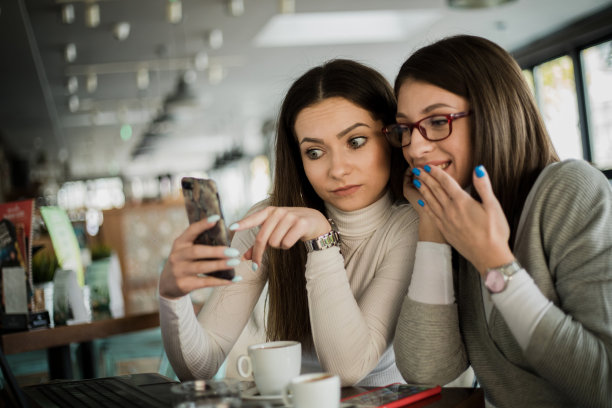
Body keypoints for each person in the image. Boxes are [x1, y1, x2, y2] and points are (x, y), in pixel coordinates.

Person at [158, 59, 420, 387]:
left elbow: (349, 369)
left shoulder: (410, 225)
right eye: (314, 152)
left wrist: (321, 240)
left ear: (391, 138)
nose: (338, 169)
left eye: (355, 142)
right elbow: (199, 367)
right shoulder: (268, 222)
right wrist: (172, 297)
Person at [386, 34, 612, 407]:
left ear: (494, 113)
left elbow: (603, 386)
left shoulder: (570, 190)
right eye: (405, 129)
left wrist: (495, 264)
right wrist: (432, 220)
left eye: (439, 120)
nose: (415, 147)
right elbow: (427, 370)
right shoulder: (457, 217)